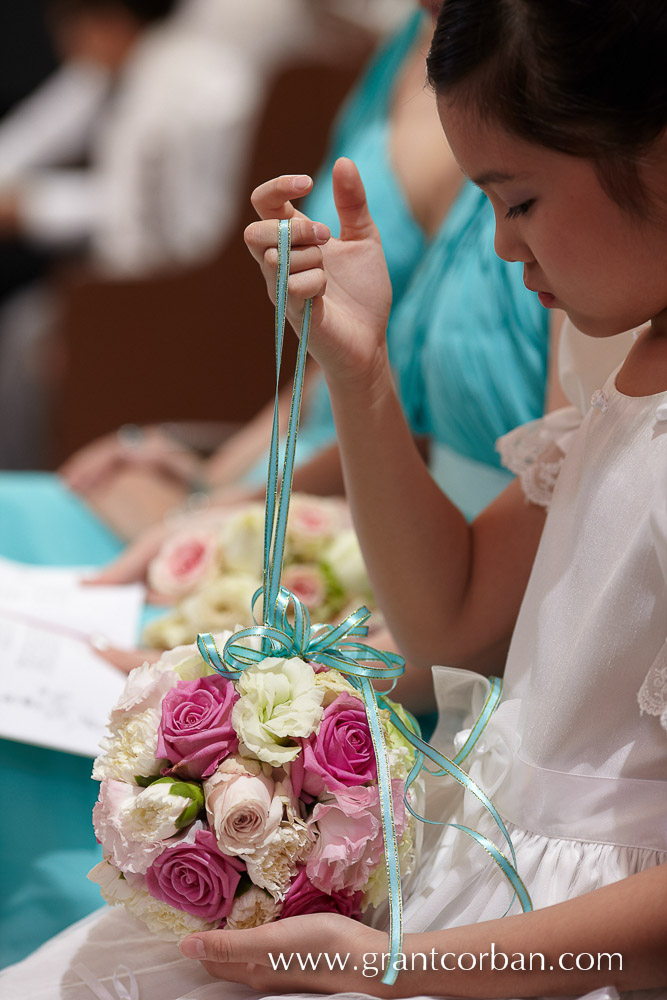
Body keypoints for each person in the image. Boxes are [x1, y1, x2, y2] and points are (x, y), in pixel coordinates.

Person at [2, 1, 666, 997]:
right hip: (474, 872)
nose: (499, 247)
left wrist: (394, 967)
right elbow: (452, 617)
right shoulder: (630, 370)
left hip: (551, 953)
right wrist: (358, 376)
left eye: (519, 200)